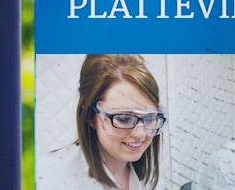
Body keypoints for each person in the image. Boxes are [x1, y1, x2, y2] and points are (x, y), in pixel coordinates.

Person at [41, 54, 163, 190]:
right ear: (90, 116)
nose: (141, 134)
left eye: (150, 117)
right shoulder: (50, 179)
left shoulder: (147, 179)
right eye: (124, 118)